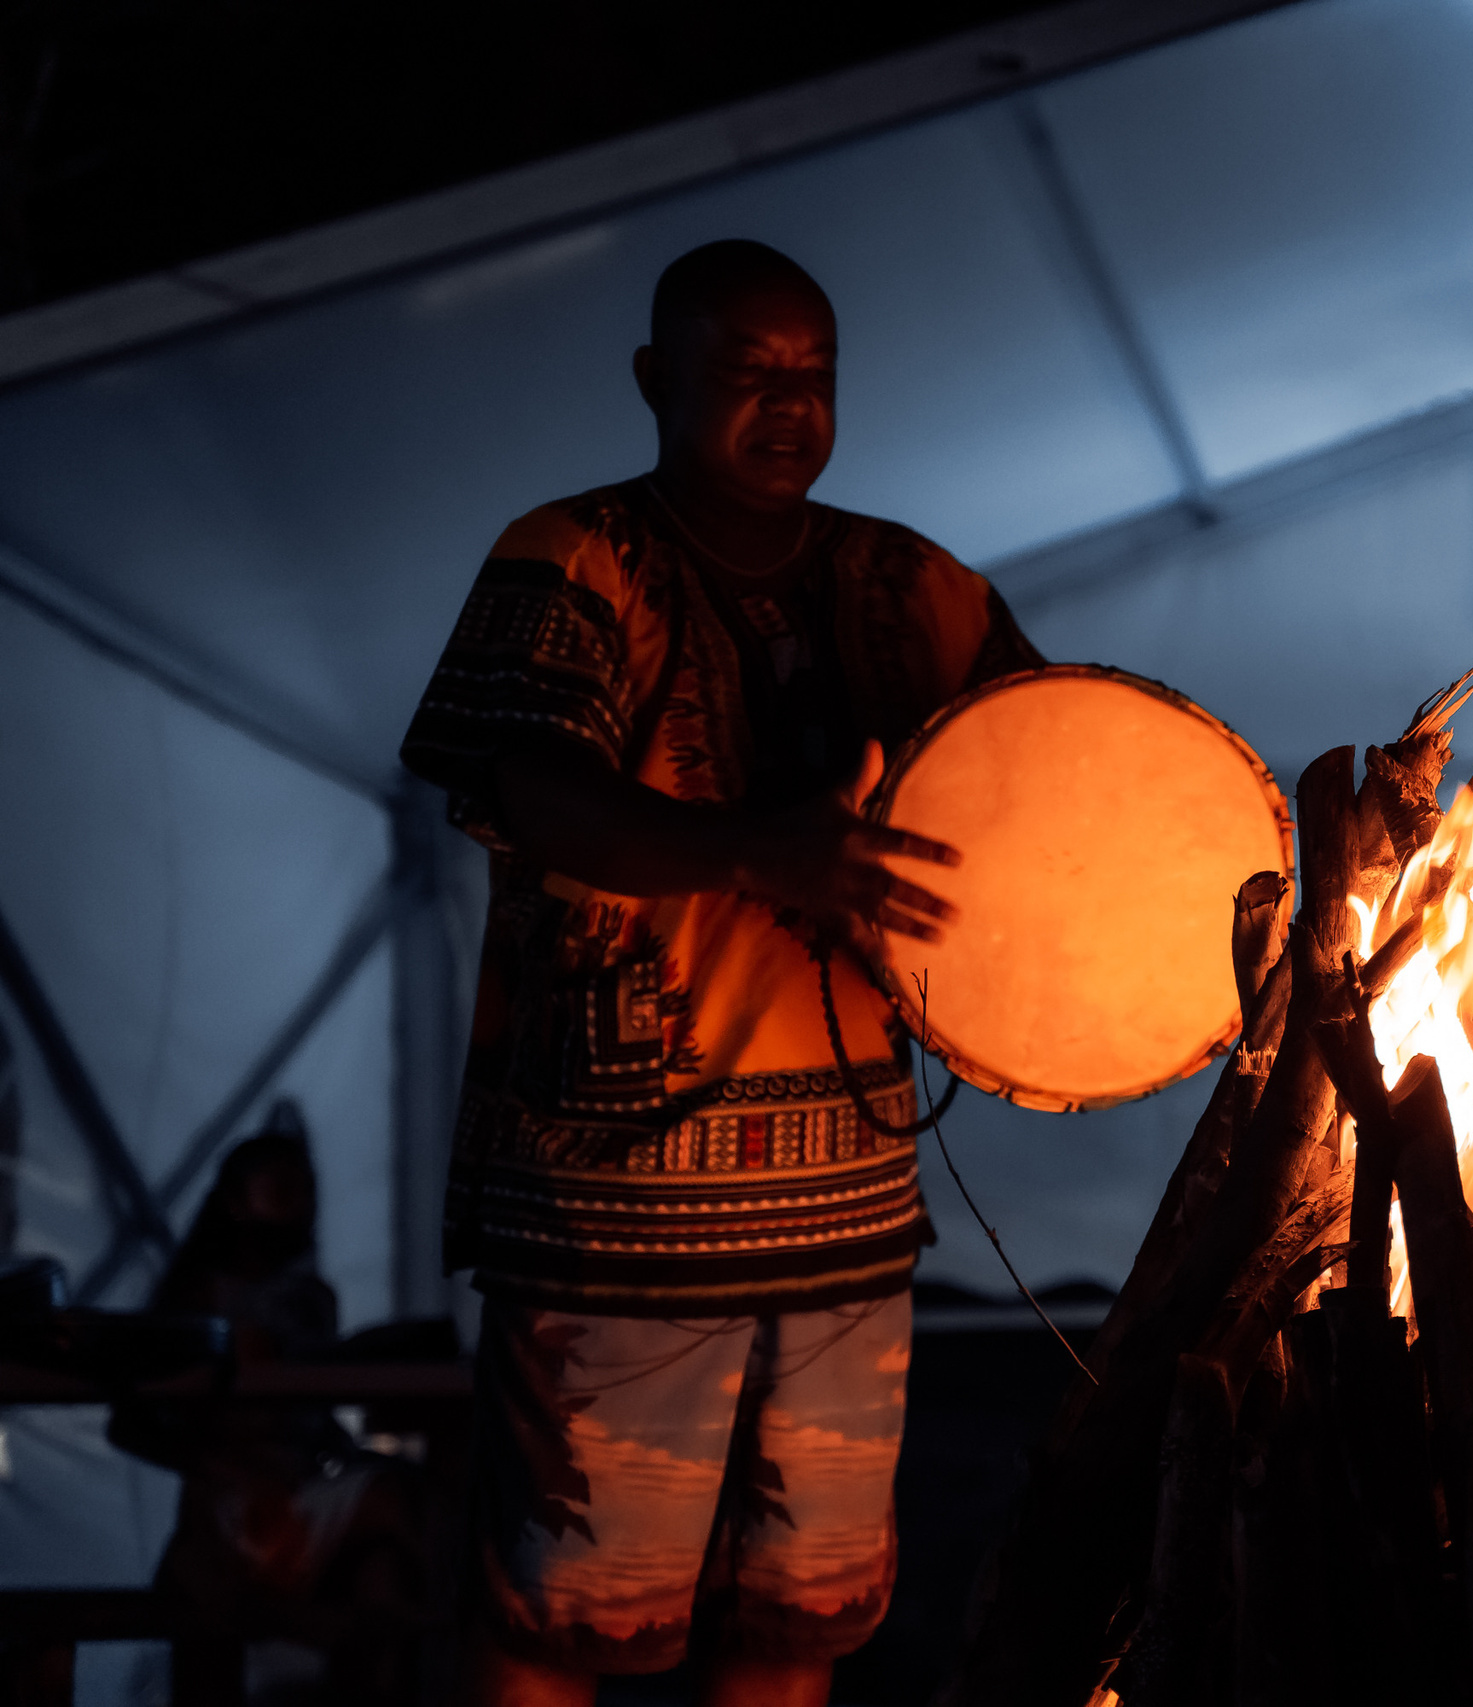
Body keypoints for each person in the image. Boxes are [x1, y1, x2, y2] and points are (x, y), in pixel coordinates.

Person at [399, 239, 1043, 1707]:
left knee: (795, 1622)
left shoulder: (915, 581)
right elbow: (529, 787)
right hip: (616, 1214)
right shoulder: (568, 558)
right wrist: (764, 851)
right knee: (561, 1619)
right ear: (654, 379)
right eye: (747, 372)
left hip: (849, 1219)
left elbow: (1050, 800)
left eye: (812, 374)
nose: (789, 404)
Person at [109, 1117, 439, 1704]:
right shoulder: (194, 1300)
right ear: (236, 1201)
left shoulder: (312, 1299)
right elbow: (130, 1420)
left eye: (306, 1188)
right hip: (230, 1507)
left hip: (306, 1497)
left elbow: (310, 1402)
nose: (301, 1203)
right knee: (207, 1591)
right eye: (282, 1187)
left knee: (390, 1547)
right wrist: (221, 1468)